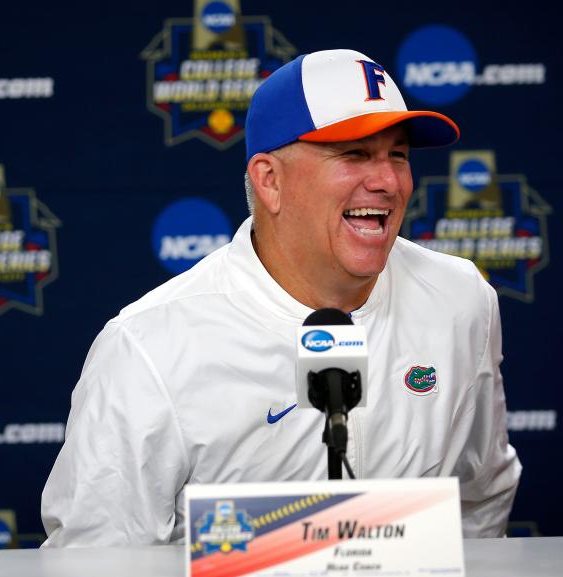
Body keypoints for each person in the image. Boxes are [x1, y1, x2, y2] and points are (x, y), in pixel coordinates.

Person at [41, 49, 521, 547]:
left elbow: (480, 498)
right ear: (269, 180)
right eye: (355, 154)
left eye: (397, 155)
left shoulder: (461, 300)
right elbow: (94, 563)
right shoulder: (148, 346)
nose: (386, 182)